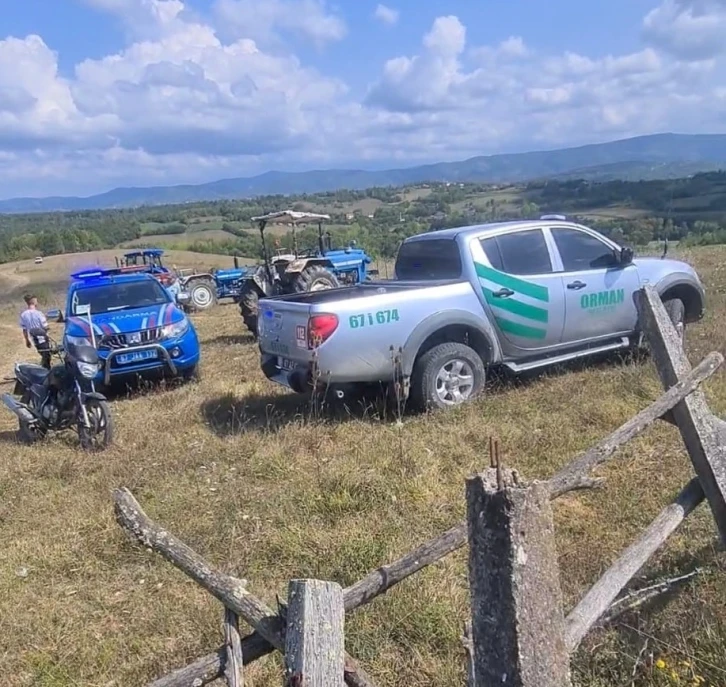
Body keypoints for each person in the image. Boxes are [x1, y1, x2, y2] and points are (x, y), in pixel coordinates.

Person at [19, 293, 51, 369]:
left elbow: (24, 329)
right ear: (33, 301)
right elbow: (45, 326)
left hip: (35, 340)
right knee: (46, 356)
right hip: (43, 338)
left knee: (43, 354)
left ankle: (45, 368)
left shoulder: (23, 315)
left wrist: (27, 340)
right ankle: (45, 371)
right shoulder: (39, 314)